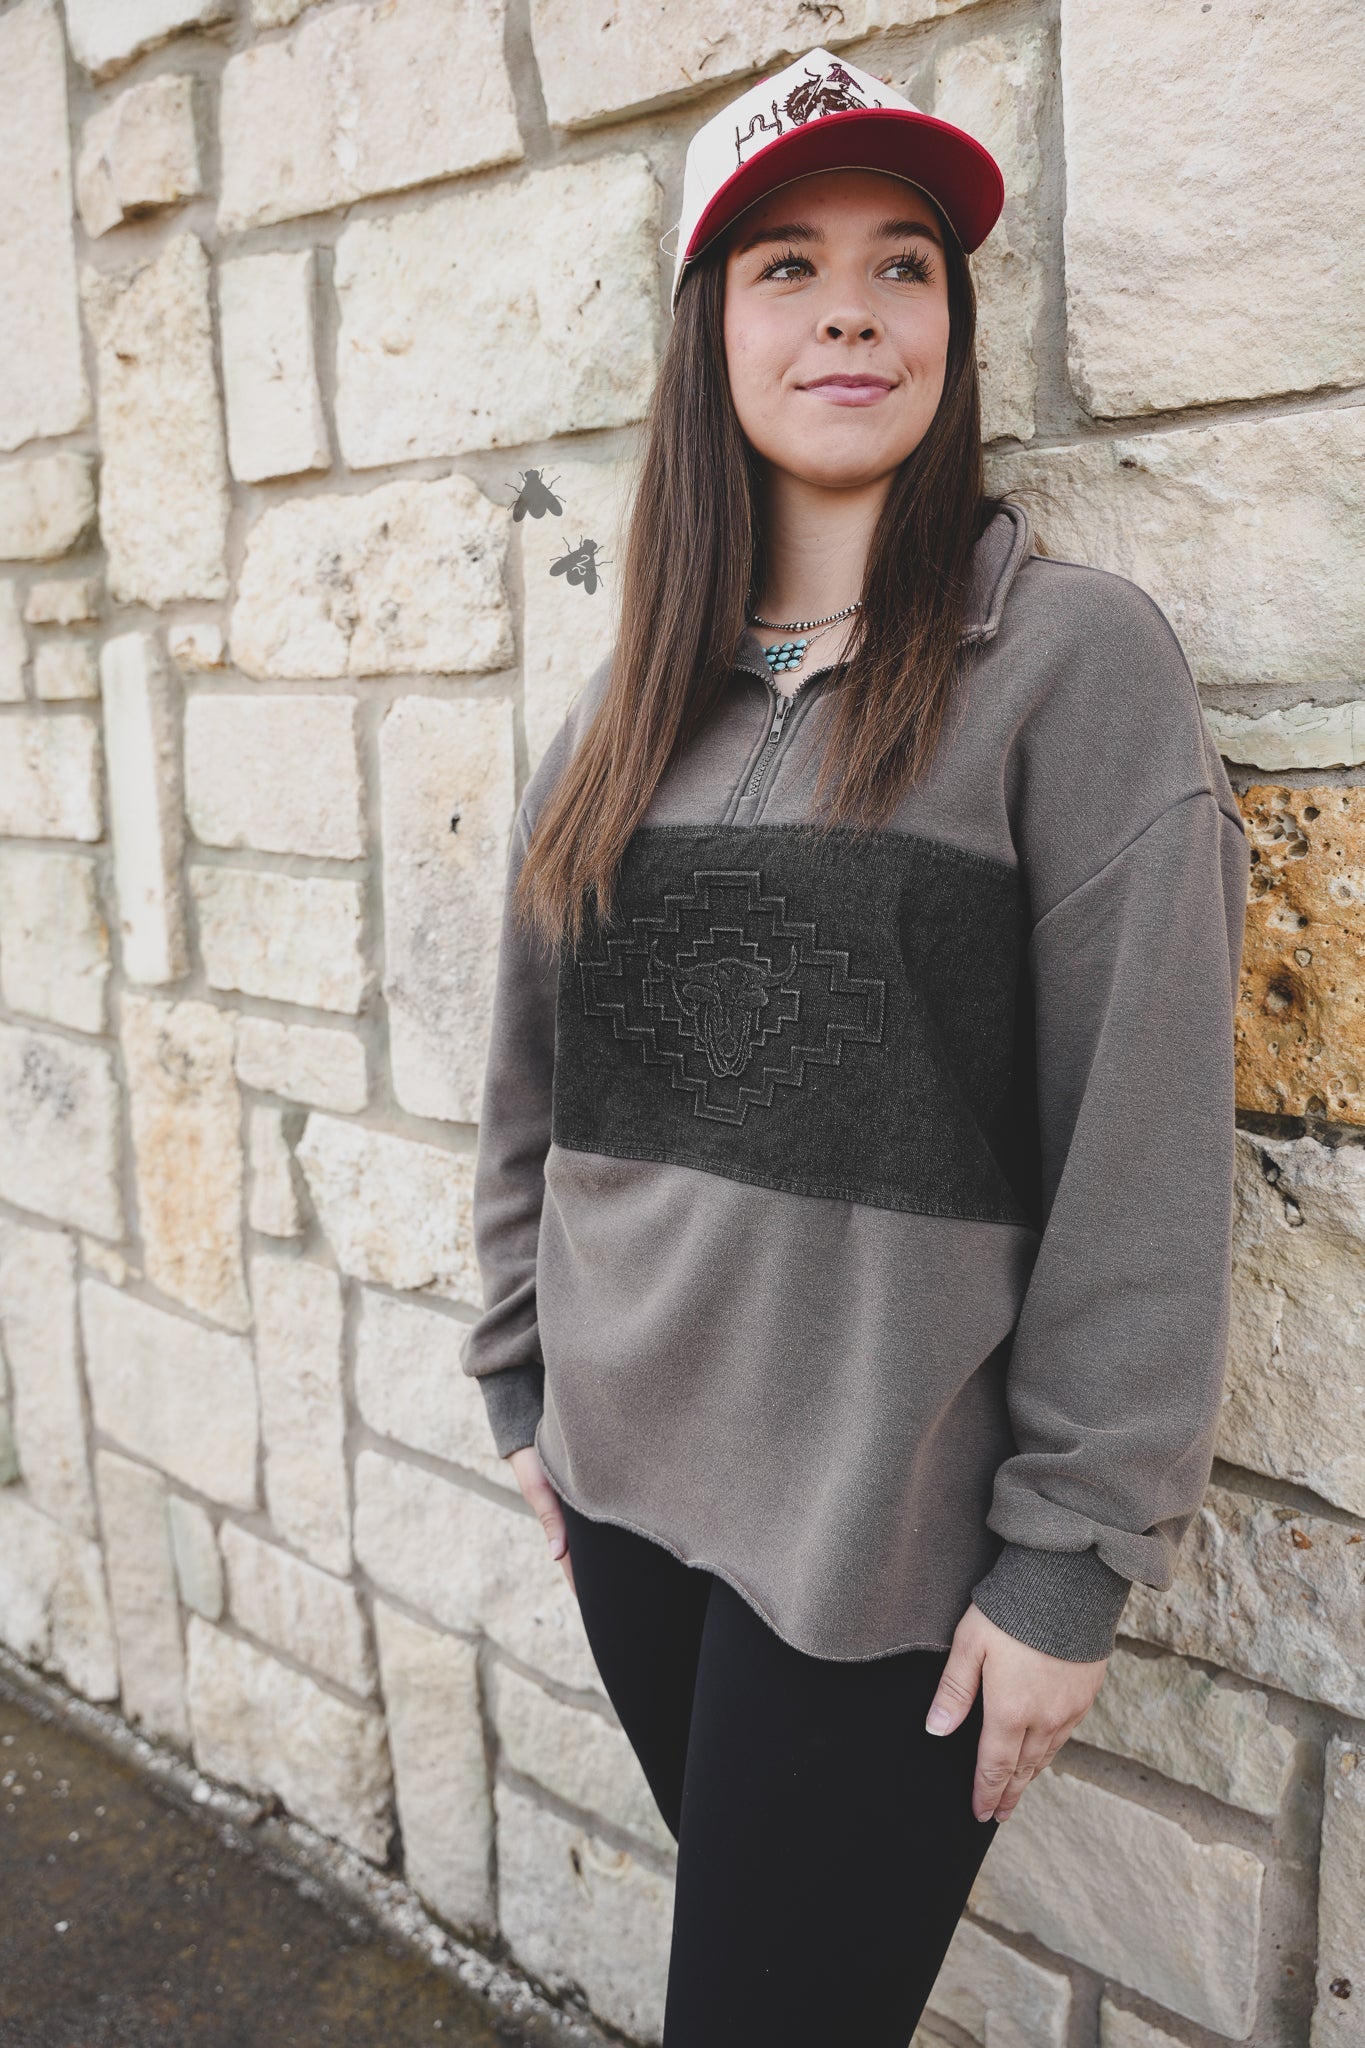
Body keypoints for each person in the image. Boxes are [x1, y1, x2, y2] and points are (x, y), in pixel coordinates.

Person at [459, 47, 1249, 2047]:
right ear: (707, 331)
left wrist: (1067, 1559)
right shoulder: (622, 708)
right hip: (623, 1498)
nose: (849, 313)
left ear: (952, 329)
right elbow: (535, 1081)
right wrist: (520, 1376)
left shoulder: (1066, 666)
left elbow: (1140, 1143)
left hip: (880, 1548)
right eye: (786, 267)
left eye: (903, 266)